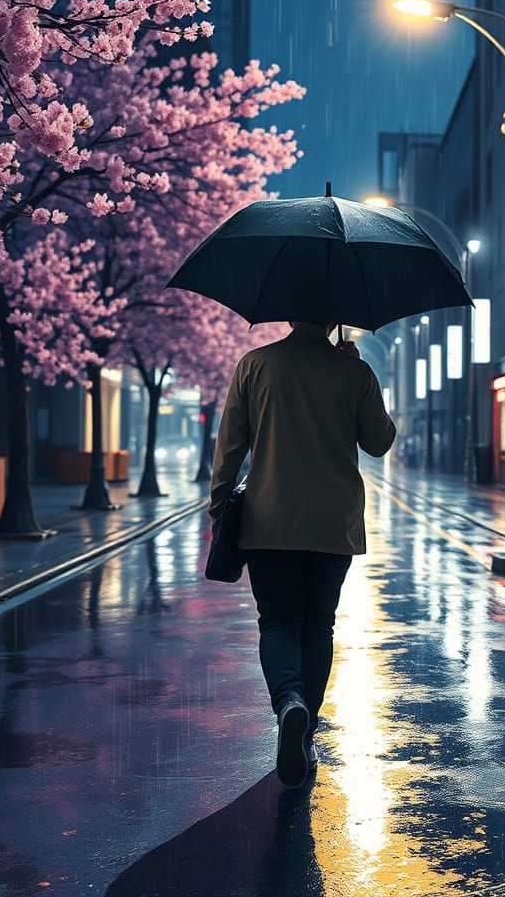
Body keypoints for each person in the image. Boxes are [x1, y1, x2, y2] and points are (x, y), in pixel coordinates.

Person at [209, 321, 396, 787]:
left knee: (278, 622)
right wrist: (358, 373)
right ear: (332, 318)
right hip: (333, 522)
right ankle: (306, 731)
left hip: (269, 520)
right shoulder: (353, 372)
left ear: (289, 316)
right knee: (318, 625)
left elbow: (230, 445)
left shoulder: (255, 365)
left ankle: (289, 701)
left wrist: (219, 507)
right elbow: (379, 442)